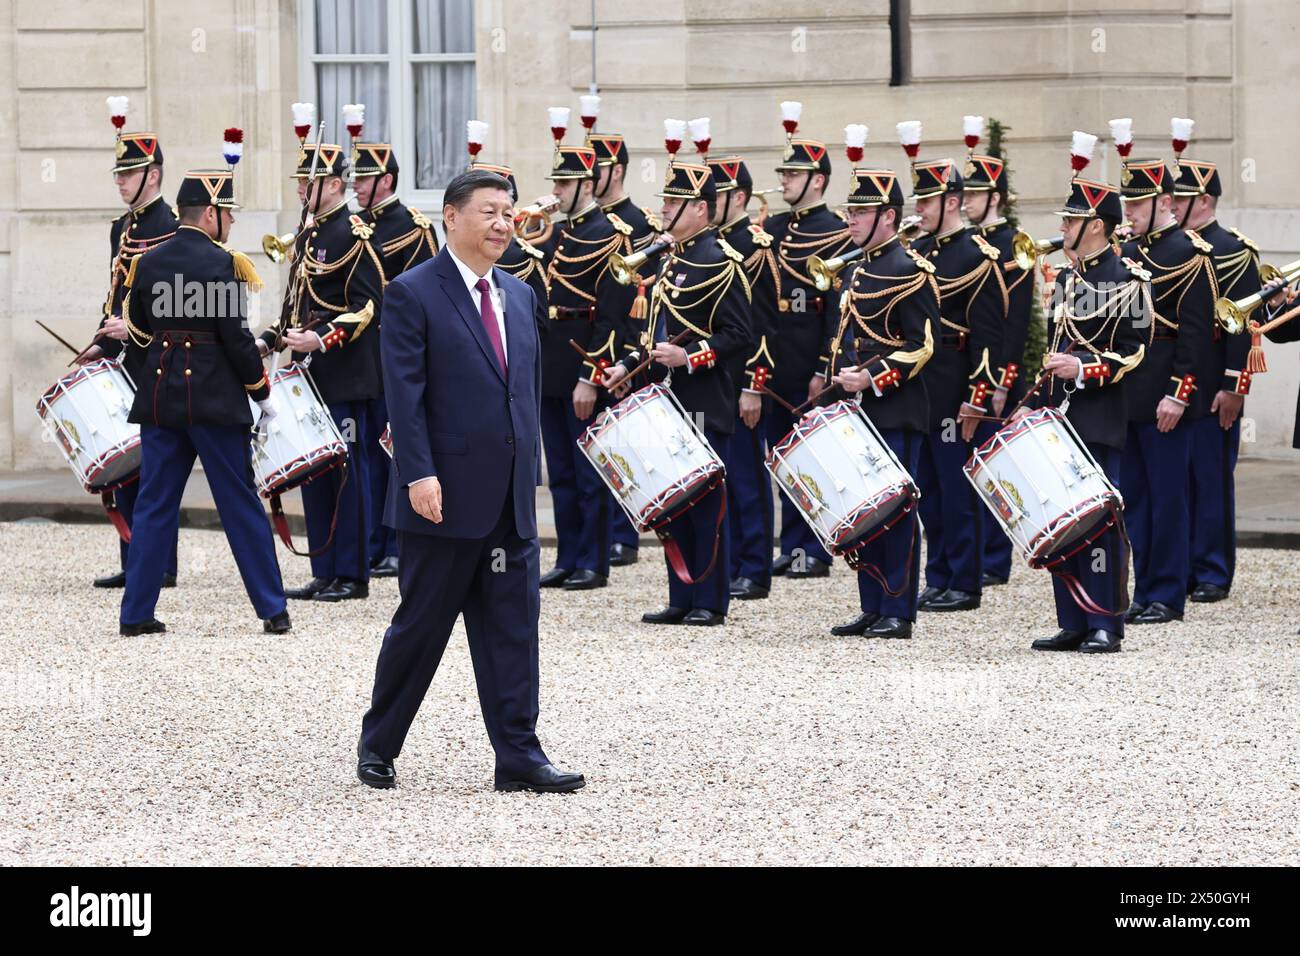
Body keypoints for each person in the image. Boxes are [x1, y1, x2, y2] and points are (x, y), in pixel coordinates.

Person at [358, 169, 583, 793]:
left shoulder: (517, 293)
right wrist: (418, 473)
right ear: (451, 218)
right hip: (441, 497)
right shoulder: (412, 293)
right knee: (422, 627)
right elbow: (405, 397)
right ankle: (378, 744)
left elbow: (523, 392)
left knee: (512, 629)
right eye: (488, 211)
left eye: (508, 212)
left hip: (509, 499)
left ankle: (519, 756)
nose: (503, 223)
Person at [117, 159, 289, 636]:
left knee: (153, 505)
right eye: (228, 212)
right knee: (238, 504)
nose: (231, 221)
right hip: (215, 402)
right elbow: (235, 340)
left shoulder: (146, 261)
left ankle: (135, 615)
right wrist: (261, 390)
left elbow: (138, 328)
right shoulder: (223, 264)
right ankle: (273, 610)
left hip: (160, 399)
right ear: (210, 213)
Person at [602, 153, 752, 626]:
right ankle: (681, 596)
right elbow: (653, 335)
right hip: (663, 402)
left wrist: (690, 356)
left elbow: (739, 336)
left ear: (701, 209)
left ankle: (710, 601)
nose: (665, 209)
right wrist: (627, 365)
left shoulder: (722, 264)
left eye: (675, 202)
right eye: (665, 200)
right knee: (670, 503)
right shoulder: (670, 260)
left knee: (705, 504)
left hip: (705, 400)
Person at [1016, 166, 1150, 654]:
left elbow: (1135, 351)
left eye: (1072, 220)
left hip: (1100, 415)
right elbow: (1055, 349)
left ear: (1096, 224)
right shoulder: (1069, 278)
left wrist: (1085, 367)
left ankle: (1105, 623)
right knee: (1061, 521)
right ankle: (1072, 618)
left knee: (1099, 523)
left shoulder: (1129, 279)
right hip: (1061, 418)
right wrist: (1030, 404)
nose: (1063, 228)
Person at [259, 132, 384, 603]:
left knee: (349, 473)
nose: (299, 190)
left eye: (307, 182)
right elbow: (295, 304)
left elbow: (369, 305)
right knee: (313, 472)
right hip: (308, 376)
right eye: (298, 181)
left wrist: (323, 337)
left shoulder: (354, 233)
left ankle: (352, 573)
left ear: (334, 185)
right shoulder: (308, 235)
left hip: (346, 373)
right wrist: (268, 340)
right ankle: (324, 568)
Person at [826, 167, 938, 639]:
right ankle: (873, 604)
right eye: (851, 211)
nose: (852, 219)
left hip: (896, 406)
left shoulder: (910, 270)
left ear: (888, 217)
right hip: (857, 409)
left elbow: (923, 344)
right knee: (863, 512)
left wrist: (870, 377)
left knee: (894, 514)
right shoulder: (857, 268)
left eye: (862, 211)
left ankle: (898, 609)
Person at [80, 110, 180, 591]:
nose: (120, 182)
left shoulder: (173, 226)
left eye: (129, 173)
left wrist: (131, 328)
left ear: (153, 175)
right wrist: (100, 340)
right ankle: (136, 559)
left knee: (156, 465)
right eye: (118, 174)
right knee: (124, 463)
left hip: (157, 360)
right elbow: (116, 293)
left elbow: (179, 302)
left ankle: (159, 563)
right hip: (122, 357)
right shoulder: (122, 227)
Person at [1116, 154, 1217, 625]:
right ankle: (1143, 589)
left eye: (1138, 203)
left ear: (1164, 202)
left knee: (1169, 499)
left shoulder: (1190, 253)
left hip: (1167, 397)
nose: (1129, 211)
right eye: (1127, 202)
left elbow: (1197, 337)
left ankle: (1168, 594)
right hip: (1130, 394)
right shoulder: (1128, 253)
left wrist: (1179, 393)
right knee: (1135, 500)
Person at [537, 131, 636, 591]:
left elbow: (612, 320)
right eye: (556, 182)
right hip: (550, 364)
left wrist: (590, 377)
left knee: (588, 471)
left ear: (586, 184)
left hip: (582, 367)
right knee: (559, 472)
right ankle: (569, 555)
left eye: (564, 183)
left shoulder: (611, 237)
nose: (555, 191)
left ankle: (593, 562)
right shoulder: (558, 234)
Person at [906, 155, 1004, 613]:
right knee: (927, 490)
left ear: (952, 202)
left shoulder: (977, 257)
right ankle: (938, 575)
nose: (920, 208)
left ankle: (964, 582)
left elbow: (989, 338)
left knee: (956, 490)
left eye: (928, 199)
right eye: (919, 199)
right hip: (920, 390)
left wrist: (976, 399)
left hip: (955, 388)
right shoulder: (919, 253)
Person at [765, 104, 855, 580]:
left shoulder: (836, 232)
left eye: (793, 174)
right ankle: (791, 547)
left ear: (817, 180)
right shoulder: (775, 229)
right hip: (775, 359)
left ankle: (814, 551)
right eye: (782, 173)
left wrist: (825, 366)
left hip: (810, 361)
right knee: (781, 458)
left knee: (811, 460)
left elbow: (838, 311)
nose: (783, 181)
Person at [353, 122, 440, 579]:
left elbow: (424, 302)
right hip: (358, 355)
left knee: (392, 452)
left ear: (385, 180)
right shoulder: (354, 227)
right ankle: (369, 541)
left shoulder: (412, 227)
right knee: (363, 453)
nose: (356, 187)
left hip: (394, 354)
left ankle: (392, 543)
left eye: (363, 179)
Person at [1170, 156, 1258, 603]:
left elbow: (1242, 325)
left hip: (1212, 385)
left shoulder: (1233, 250)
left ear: (1203, 201)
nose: (1170, 204)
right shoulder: (1169, 247)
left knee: (1210, 479)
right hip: (1175, 382)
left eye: (1180, 198)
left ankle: (1212, 570)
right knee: (1174, 482)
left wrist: (1234, 387)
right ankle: (1179, 567)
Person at [961, 150, 1036, 587]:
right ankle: (974, 556)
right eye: (966, 193)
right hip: (968, 368)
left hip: (997, 374)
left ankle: (994, 558)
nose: (967, 200)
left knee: (992, 466)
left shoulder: (1013, 245)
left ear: (996, 197)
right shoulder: (970, 244)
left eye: (976, 193)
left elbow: (1017, 320)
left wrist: (1004, 380)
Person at [708, 155, 779, 601]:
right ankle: (732, 563)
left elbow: (765, 325)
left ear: (737, 198)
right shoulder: (712, 246)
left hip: (742, 382)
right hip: (715, 380)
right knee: (724, 478)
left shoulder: (755, 245)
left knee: (748, 478)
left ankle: (754, 567)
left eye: (713, 196)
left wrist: (755, 384)